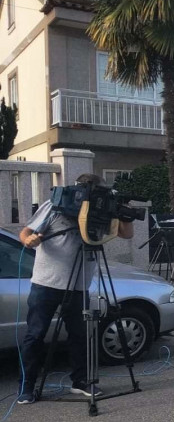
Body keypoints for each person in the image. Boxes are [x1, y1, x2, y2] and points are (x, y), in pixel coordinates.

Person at [16, 173, 134, 404]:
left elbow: (126, 233)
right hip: (46, 283)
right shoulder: (56, 204)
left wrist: (124, 212)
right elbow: (26, 232)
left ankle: (80, 382)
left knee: (80, 335)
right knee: (35, 334)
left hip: (80, 285)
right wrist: (28, 241)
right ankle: (27, 386)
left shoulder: (104, 209)